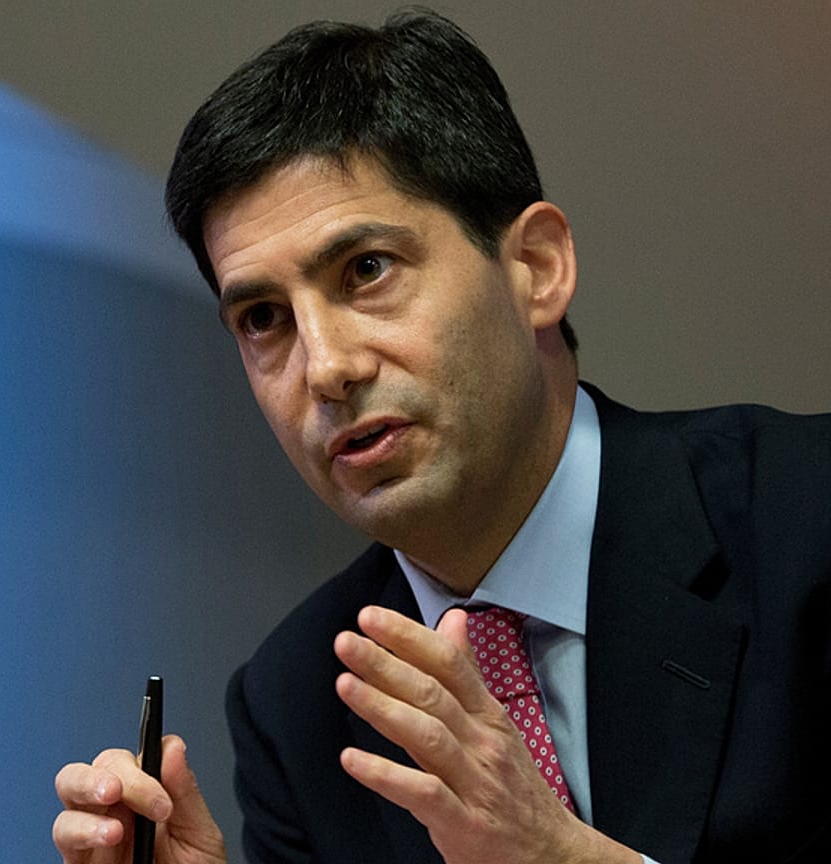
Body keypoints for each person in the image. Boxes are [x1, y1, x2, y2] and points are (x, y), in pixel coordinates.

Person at [52, 9, 831, 864]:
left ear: (537, 268)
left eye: (366, 271)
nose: (325, 369)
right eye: (264, 317)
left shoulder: (806, 517)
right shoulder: (299, 706)